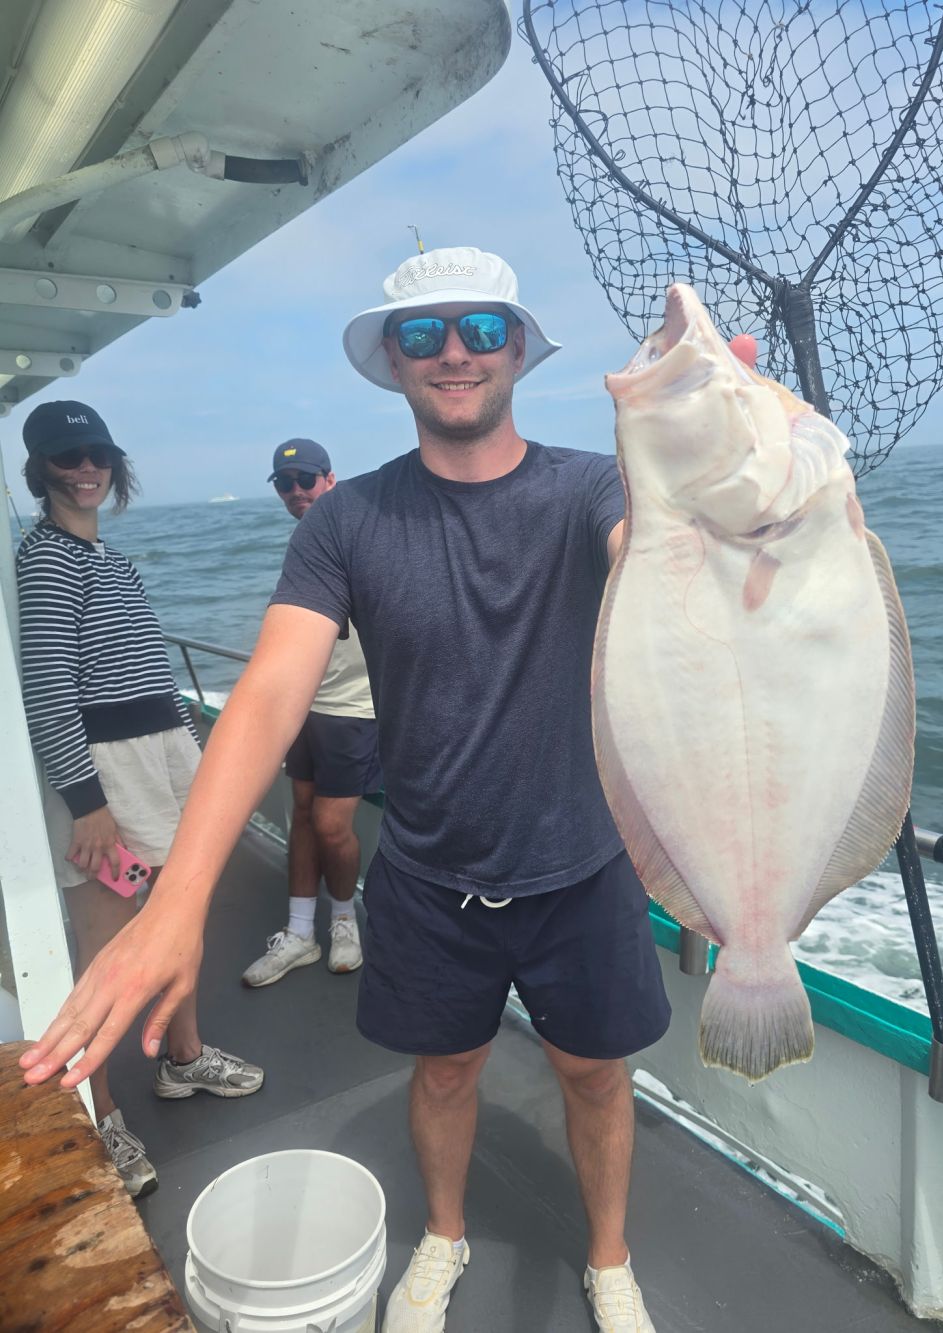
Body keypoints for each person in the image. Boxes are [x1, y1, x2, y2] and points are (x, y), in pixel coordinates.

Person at [19, 253, 754, 1327]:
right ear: (392, 364)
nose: (452, 350)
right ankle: (446, 1236)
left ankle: (609, 1258)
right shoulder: (345, 521)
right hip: (427, 876)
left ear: (514, 346)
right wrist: (175, 908)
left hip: (581, 866)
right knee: (445, 1074)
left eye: (476, 327)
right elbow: (270, 693)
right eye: (421, 334)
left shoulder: (593, 488)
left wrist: (726, 469)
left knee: (596, 1080)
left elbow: (670, 565)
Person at [15, 400, 263, 1199]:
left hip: (161, 754)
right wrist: (86, 801)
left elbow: (148, 673)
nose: (85, 468)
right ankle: (99, 1109)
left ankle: (183, 1061)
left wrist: (195, 741)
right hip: (107, 773)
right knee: (102, 941)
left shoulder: (107, 559)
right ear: (40, 470)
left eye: (97, 455)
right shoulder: (46, 559)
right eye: (67, 458)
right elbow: (48, 691)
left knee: (178, 913)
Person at [242, 438, 380, 986]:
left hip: (354, 707)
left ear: (329, 478)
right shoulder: (303, 542)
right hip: (302, 703)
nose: (296, 491)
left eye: (305, 479)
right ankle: (300, 932)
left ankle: (344, 921)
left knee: (329, 822)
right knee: (300, 812)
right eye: (285, 483)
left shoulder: (361, 531)